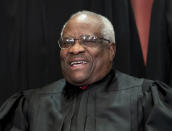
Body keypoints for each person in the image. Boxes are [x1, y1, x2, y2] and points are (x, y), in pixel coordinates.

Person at [0, 10, 172, 131]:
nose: (75, 49)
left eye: (88, 40)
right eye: (67, 42)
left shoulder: (146, 99)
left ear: (110, 50)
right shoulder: (30, 106)